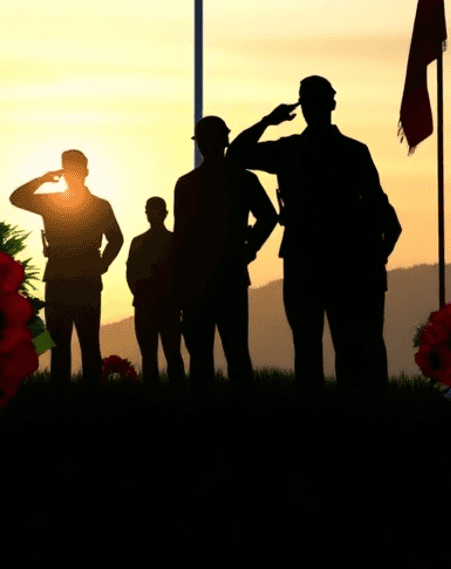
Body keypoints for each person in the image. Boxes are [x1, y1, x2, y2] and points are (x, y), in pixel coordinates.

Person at [228, 76, 401, 395]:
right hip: (341, 260)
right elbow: (383, 212)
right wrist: (377, 256)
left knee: (310, 349)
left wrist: (269, 121)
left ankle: (314, 422)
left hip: (308, 259)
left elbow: (235, 154)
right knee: (345, 349)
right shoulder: (351, 151)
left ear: (303, 107)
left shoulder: (290, 150)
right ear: (332, 104)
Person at [173, 117, 277, 390]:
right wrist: (249, 249)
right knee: (236, 353)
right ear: (226, 141)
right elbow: (268, 217)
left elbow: (180, 241)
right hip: (229, 276)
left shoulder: (186, 184)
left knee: (202, 358)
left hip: (199, 281)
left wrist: (178, 287)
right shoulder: (243, 179)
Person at [10, 150, 123, 387]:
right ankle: (85, 399)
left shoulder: (55, 202)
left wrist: (44, 179)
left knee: (73, 344)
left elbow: (17, 197)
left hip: (66, 277)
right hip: (78, 278)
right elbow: (116, 240)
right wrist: (101, 265)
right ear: (86, 172)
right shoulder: (98, 205)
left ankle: (66, 400)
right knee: (84, 343)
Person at [125, 197, 185, 389]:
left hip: (153, 306)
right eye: (149, 210)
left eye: (152, 210)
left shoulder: (140, 242)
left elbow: (130, 275)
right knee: (168, 355)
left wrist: (141, 294)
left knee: (160, 356)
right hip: (161, 306)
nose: (150, 214)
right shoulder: (174, 241)